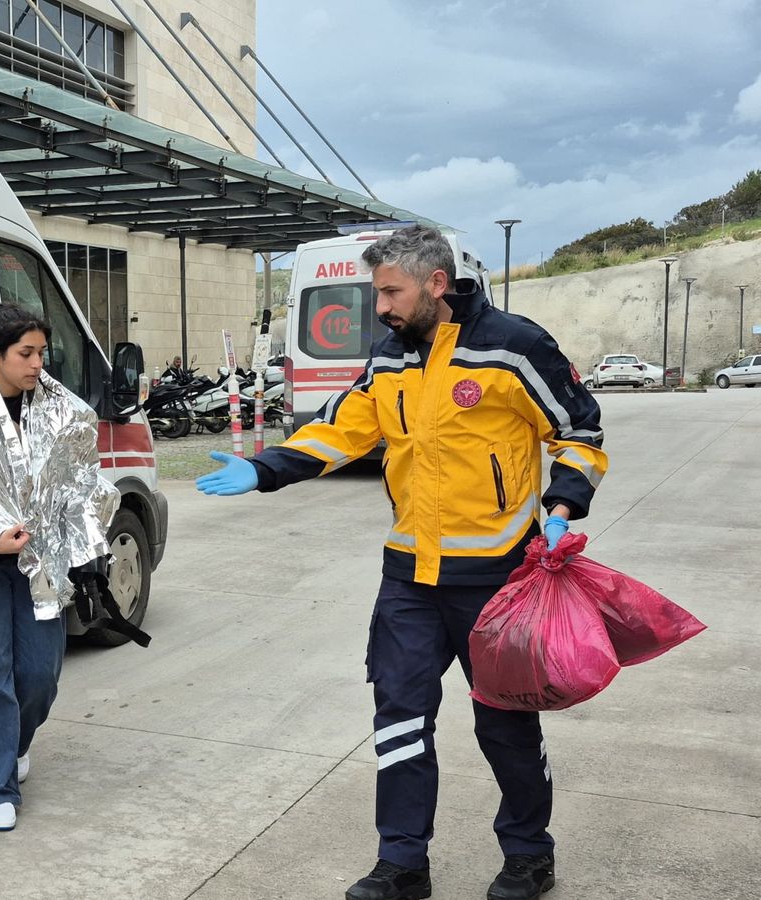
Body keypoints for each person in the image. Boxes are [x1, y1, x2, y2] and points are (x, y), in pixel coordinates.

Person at [197, 226, 608, 900]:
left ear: (436, 284)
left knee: (504, 724)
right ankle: (402, 863)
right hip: (408, 581)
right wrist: (264, 468)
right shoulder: (389, 357)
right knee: (399, 720)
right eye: (376, 291)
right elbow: (340, 430)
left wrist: (562, 508)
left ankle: (530, 853)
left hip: (495, 581)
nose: (380, 306)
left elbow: (580, 433)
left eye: (390, 291)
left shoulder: (513, 347)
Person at [0, 304, 117, 832]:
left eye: (41, 353)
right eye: (25, 354)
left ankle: (15, 743)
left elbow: (82, 480)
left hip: (40, 559)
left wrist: (88, 548)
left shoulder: (61, 409)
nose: (36, 364)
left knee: (38, 674)